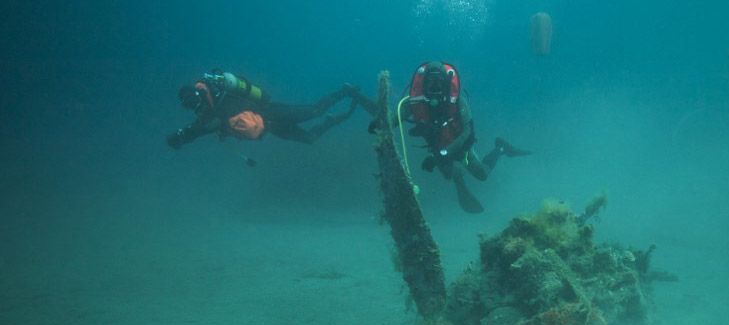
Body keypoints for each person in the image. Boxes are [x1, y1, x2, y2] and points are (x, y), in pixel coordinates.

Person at [375, 61, 530, 213]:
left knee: (482, 174)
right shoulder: (413, 103)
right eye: (430, 83)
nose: (435, 87)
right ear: (423, 84)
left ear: (446, 83)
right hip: (439, 149)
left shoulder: (458, 102)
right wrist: (380, 122)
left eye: (439, 83)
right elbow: (394, 119)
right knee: (449, 173)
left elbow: (467, 132)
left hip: (460, 147)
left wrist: (443, 154)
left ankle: (500, 148)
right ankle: (459, 181)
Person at [167, 69, 366, 152]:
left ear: (199, 93)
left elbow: (202, 128)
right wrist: (182, 136)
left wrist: (185, 136)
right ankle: (331, 121)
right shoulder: (208, 113)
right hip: (269, 128)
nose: (197, 107)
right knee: (310, 139)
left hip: (271, 113)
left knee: (314, 111)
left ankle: (345, 91)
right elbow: (201, 128)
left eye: (195, 101)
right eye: (191, 106)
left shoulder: (222, 96)